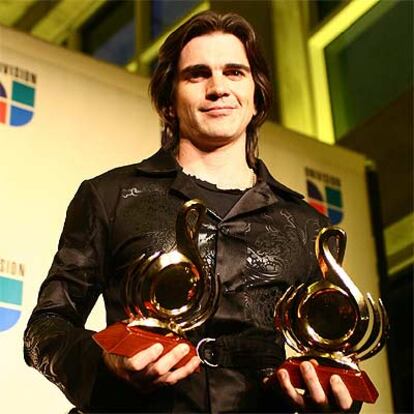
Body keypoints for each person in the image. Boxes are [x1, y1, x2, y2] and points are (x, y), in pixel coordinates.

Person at [24, 11, 357, 413]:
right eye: (197, 74)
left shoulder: (308, 227)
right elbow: (46, 328)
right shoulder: (110, 196)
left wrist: (332, 400)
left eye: (234, 73)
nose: (218, 88)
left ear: (257, 96)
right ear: (169, 100)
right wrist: (105, 362)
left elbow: (327, 359)